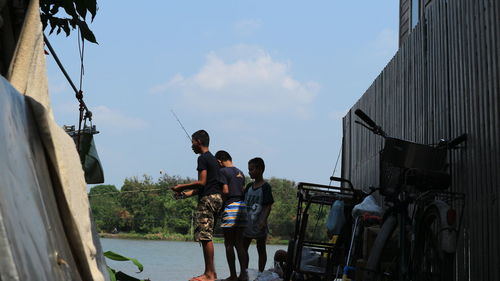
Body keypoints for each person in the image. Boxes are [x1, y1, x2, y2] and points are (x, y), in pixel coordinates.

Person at [171, 130, 223, 281]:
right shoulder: (213, 159)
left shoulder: (202, 158)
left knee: (205, 237)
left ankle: (209, 274)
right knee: (207, 236)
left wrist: (181, 186)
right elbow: (205, 187)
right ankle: (210, 272)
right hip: (216, 199)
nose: (191, 145)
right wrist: (184, 194)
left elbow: (201, 182)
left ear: (199, 142)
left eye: (192, 142)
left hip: (207, 200)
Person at [215, 150, 249, 281]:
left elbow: (225, 190)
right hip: (242, 207)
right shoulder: (240, 172)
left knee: (228, 244)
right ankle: (244, 275)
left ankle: (233, 276)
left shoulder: (223, 172)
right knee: (239, 244)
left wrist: (219, 204)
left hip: (230, 207)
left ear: (219, 161)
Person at [243, 157, 274, 273]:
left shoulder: (265, 187)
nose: (249, 172)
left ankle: (260, 273)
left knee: (261, 248)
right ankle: (244, 271)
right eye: (249, 169)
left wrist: (263, 221)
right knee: (243, 247)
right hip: (247, 223)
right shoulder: (249, 187)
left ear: (260, 170)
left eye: (251, 169)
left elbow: (268, 206)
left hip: (259, 224)